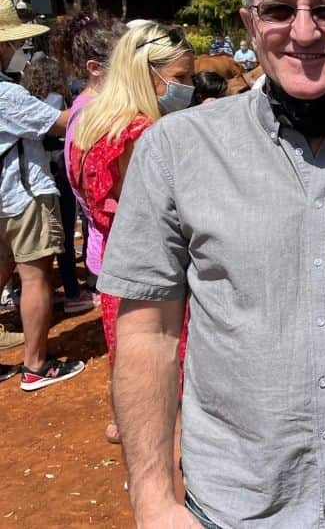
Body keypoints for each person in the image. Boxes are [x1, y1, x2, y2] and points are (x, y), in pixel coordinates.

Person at [98, 0, 325, 528]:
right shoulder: (177, 150)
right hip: (239, 503)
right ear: (248, 24)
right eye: (279, 10)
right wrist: (154, 501)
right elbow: (149, 334)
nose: (304, 32)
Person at [69, 22, 194, 444]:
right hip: (157, 284)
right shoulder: (144, 136)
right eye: (180, 79)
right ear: (148, 74)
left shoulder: (90, 123)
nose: (188, 88)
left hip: (115, 274)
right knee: (169, 393)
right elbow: (163, 222)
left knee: (134, 372)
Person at [0, 0, 85, 388]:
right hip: (24, 194)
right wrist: (103, 98)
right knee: (35, 277)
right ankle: (35, 364)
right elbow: (60, 122)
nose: (16, 50)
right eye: (12, 43)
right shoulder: (7, 94)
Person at [50, 12, 126, 305]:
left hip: (109, 254)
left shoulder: (87, 110)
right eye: (127, 64)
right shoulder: (100, 119)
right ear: (95, 68)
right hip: (121, 258)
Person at [18, 54, 95, 315]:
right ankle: (73, 293)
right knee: (62, 236)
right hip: (58, 173)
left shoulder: (26, 100)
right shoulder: (56, 101)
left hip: (33, 176)